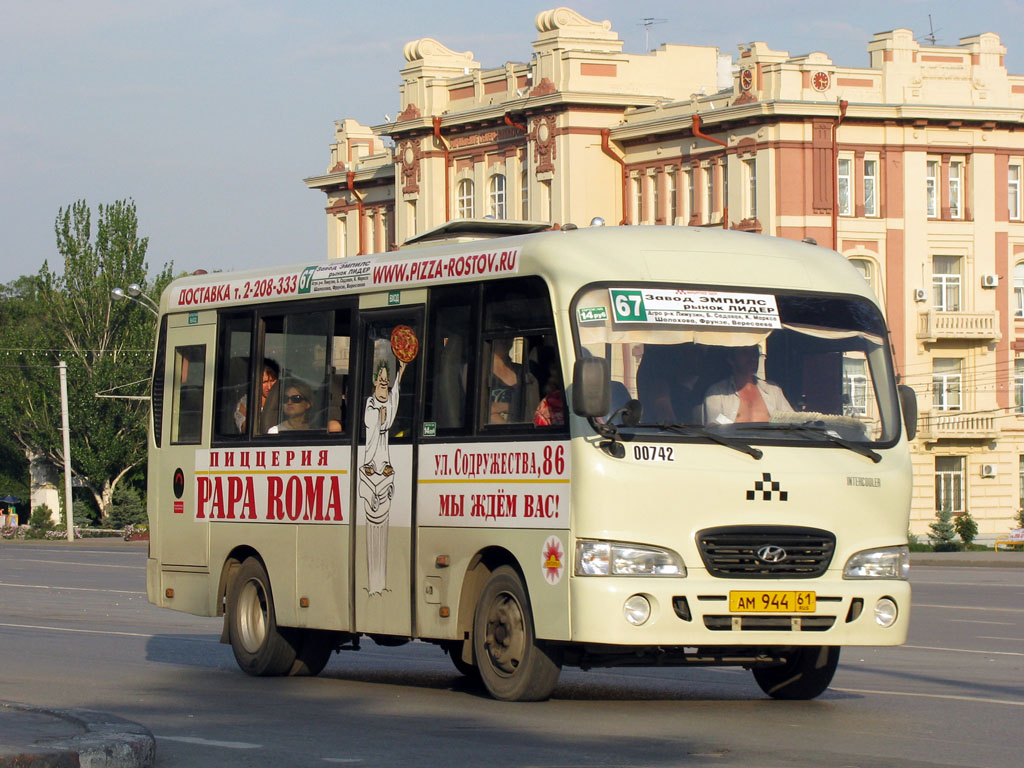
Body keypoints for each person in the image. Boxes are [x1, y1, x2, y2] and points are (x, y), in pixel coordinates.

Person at [703, 344, 792, 425]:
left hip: (771, 442)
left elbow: (792, 422)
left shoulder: (773, 390)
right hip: (733, 442)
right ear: (731, 360)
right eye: (745, 352)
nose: (753, 357)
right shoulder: (717, 393)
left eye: (755, 352)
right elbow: (714, 426)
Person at [234, 358, 279, 434]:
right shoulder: (247, 402)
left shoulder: (286, 398)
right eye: (264, 382)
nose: (269, 387)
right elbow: (246, 431)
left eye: (272, 381)